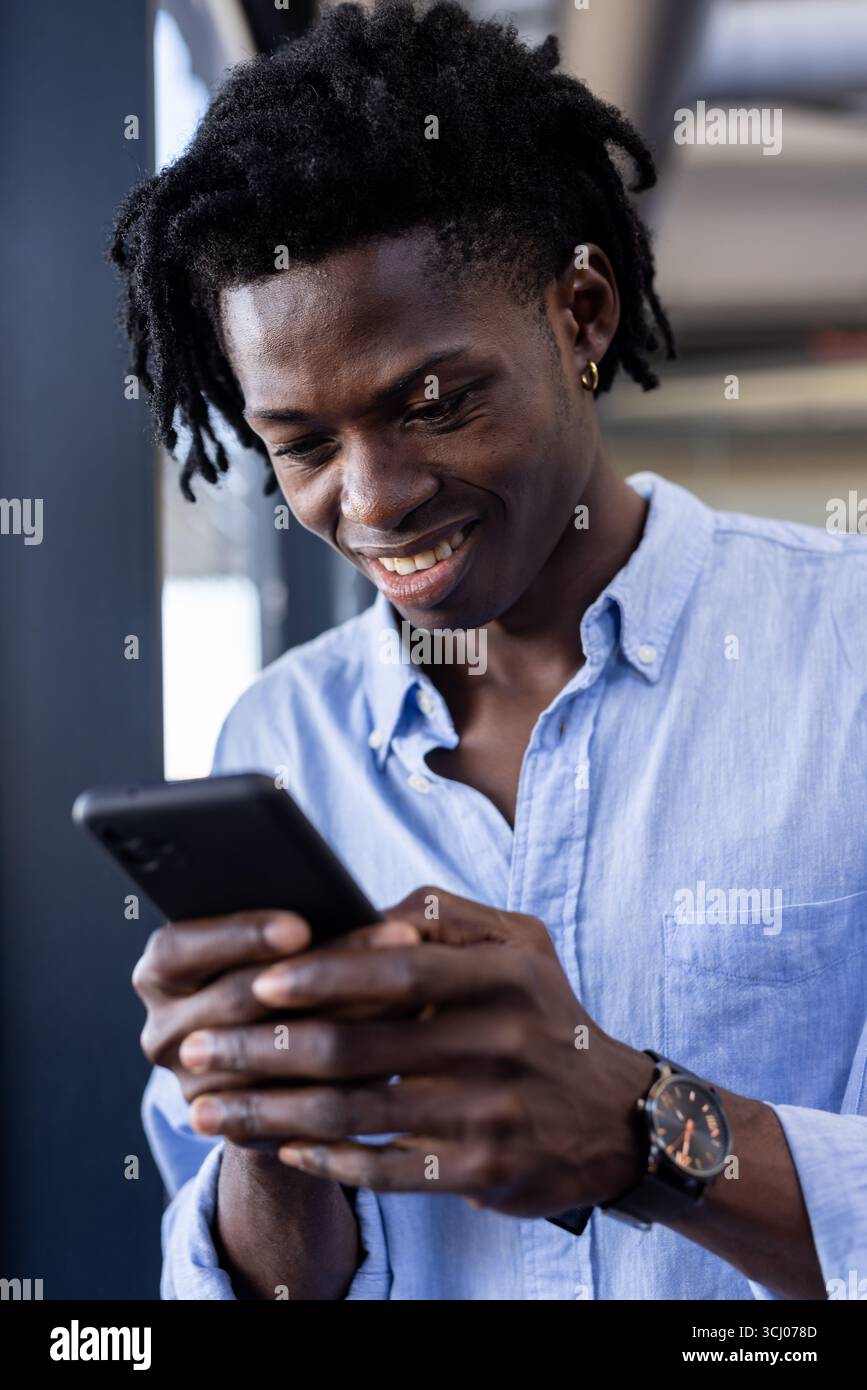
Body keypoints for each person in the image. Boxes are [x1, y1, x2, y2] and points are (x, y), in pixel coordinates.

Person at [114, 0, 867, 1300]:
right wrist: (267, 1122)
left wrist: (638, 1124)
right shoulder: (276, 742)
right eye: (301, 443)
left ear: (580, 313)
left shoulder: (844, 656)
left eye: (435, 401)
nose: (376, 496)